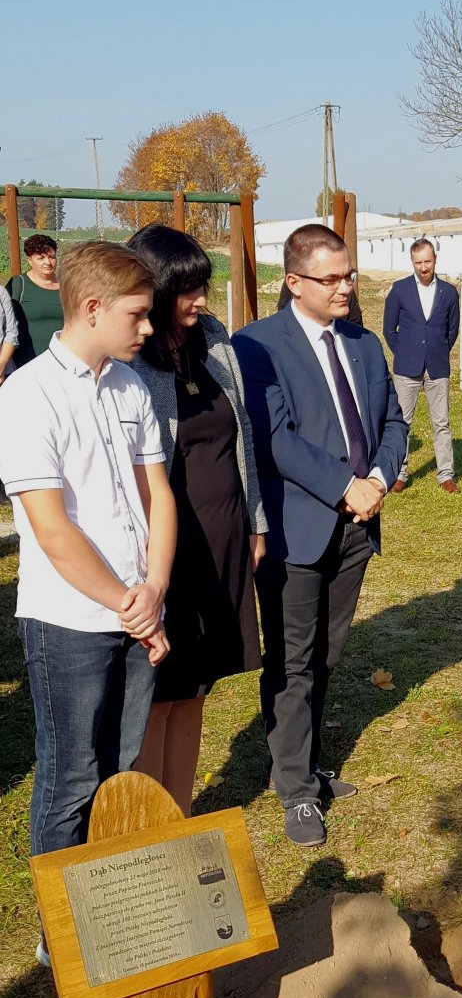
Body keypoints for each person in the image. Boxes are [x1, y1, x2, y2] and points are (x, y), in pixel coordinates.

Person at [0, 240, 176, 966]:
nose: (148, 329)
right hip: (69, 621)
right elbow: (50, 526)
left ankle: (108, 901)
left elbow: (157, 495)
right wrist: (128, 604)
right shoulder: (27, 395)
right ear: (93, 308)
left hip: (138, 610)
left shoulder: (131, 387)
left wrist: (154, 589)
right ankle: (63, 929)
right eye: (138, 315)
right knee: (71, 776)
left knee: (121, 766)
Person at [232, 224, 407, 847]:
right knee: (292, 661)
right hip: (296, 529)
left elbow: (393, 420)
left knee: (326, 654)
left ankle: (300, 762)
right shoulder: (256, 345)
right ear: (294, 281)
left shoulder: (364, 343)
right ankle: (296, 791)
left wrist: (378, 479)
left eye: (348, 275)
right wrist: (343, 486)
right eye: (330, 279)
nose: (345, 288)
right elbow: (273, 438)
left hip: (358, 524)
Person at [127, 224, 267, 816]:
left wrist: (255, 520)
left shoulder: (213, 340)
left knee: (196, 688)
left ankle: (180, 816)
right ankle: (149, 825)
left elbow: (243, 436)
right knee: (158, 690)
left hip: (224, 535)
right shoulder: (130, 361)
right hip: (166, 549)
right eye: (188, 289)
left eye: (203, 286)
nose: (202, 299)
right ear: (156, 289)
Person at [383, 238, 461, 494]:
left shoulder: (449, 292)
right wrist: (404, 352)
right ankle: (399, 473)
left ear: (435, 259)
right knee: (402, 423)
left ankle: (446, 475)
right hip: (407, 368)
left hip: (437, 367)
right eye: (418, 263)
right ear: (412, 262)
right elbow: (389, 329)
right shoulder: (399, 290)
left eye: (427, 261)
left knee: (442, 423)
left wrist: (437, 351)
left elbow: (452, 330)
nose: (423, 267)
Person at [6, 234, 64, 366]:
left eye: (52, 257)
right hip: (27, 362)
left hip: (63, 361)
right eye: (41, 258)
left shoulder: (68, 285)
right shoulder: (18, 284)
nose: (48, 262)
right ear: (29, 260)